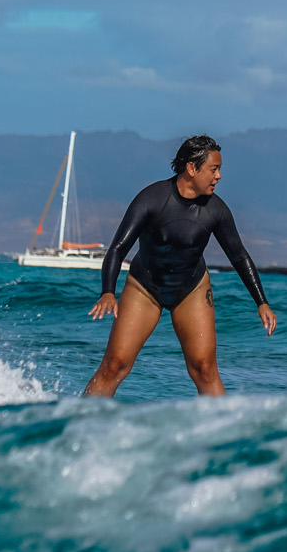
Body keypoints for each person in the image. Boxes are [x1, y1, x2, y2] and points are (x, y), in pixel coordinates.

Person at [84, 135, 276, 397]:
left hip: (192, 290)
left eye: (219, 169)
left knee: (205, 369)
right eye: (213, 169)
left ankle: (224, 429)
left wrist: (261, 302)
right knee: (114, 366)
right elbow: (118, 248)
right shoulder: (152, 199)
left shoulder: (216, 210)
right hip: (145, 288)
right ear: (192, 169)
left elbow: (239, 256)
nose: (219, 176)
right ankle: (79, 421)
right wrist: (108, 291)